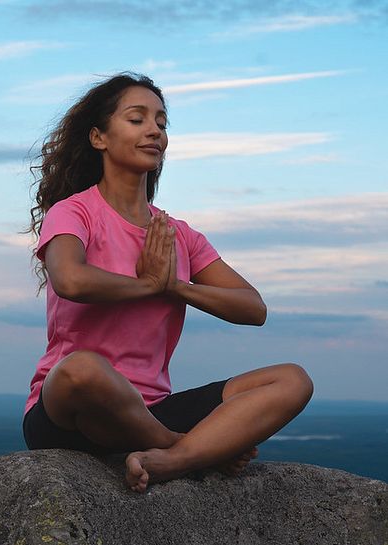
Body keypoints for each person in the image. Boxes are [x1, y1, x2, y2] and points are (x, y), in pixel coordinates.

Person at [22, 73, 313, 493]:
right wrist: (148, 284)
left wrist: (177, 287)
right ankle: (189, 448)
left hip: (151, 408)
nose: (154, 130)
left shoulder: (177, 233)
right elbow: (70, 279)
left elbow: (253, 308)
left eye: (161, 122)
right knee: (82, 369)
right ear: (99, 137)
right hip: (71, 412)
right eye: (137, 119)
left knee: (292, 380)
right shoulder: (74, 213)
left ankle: (172, 461)